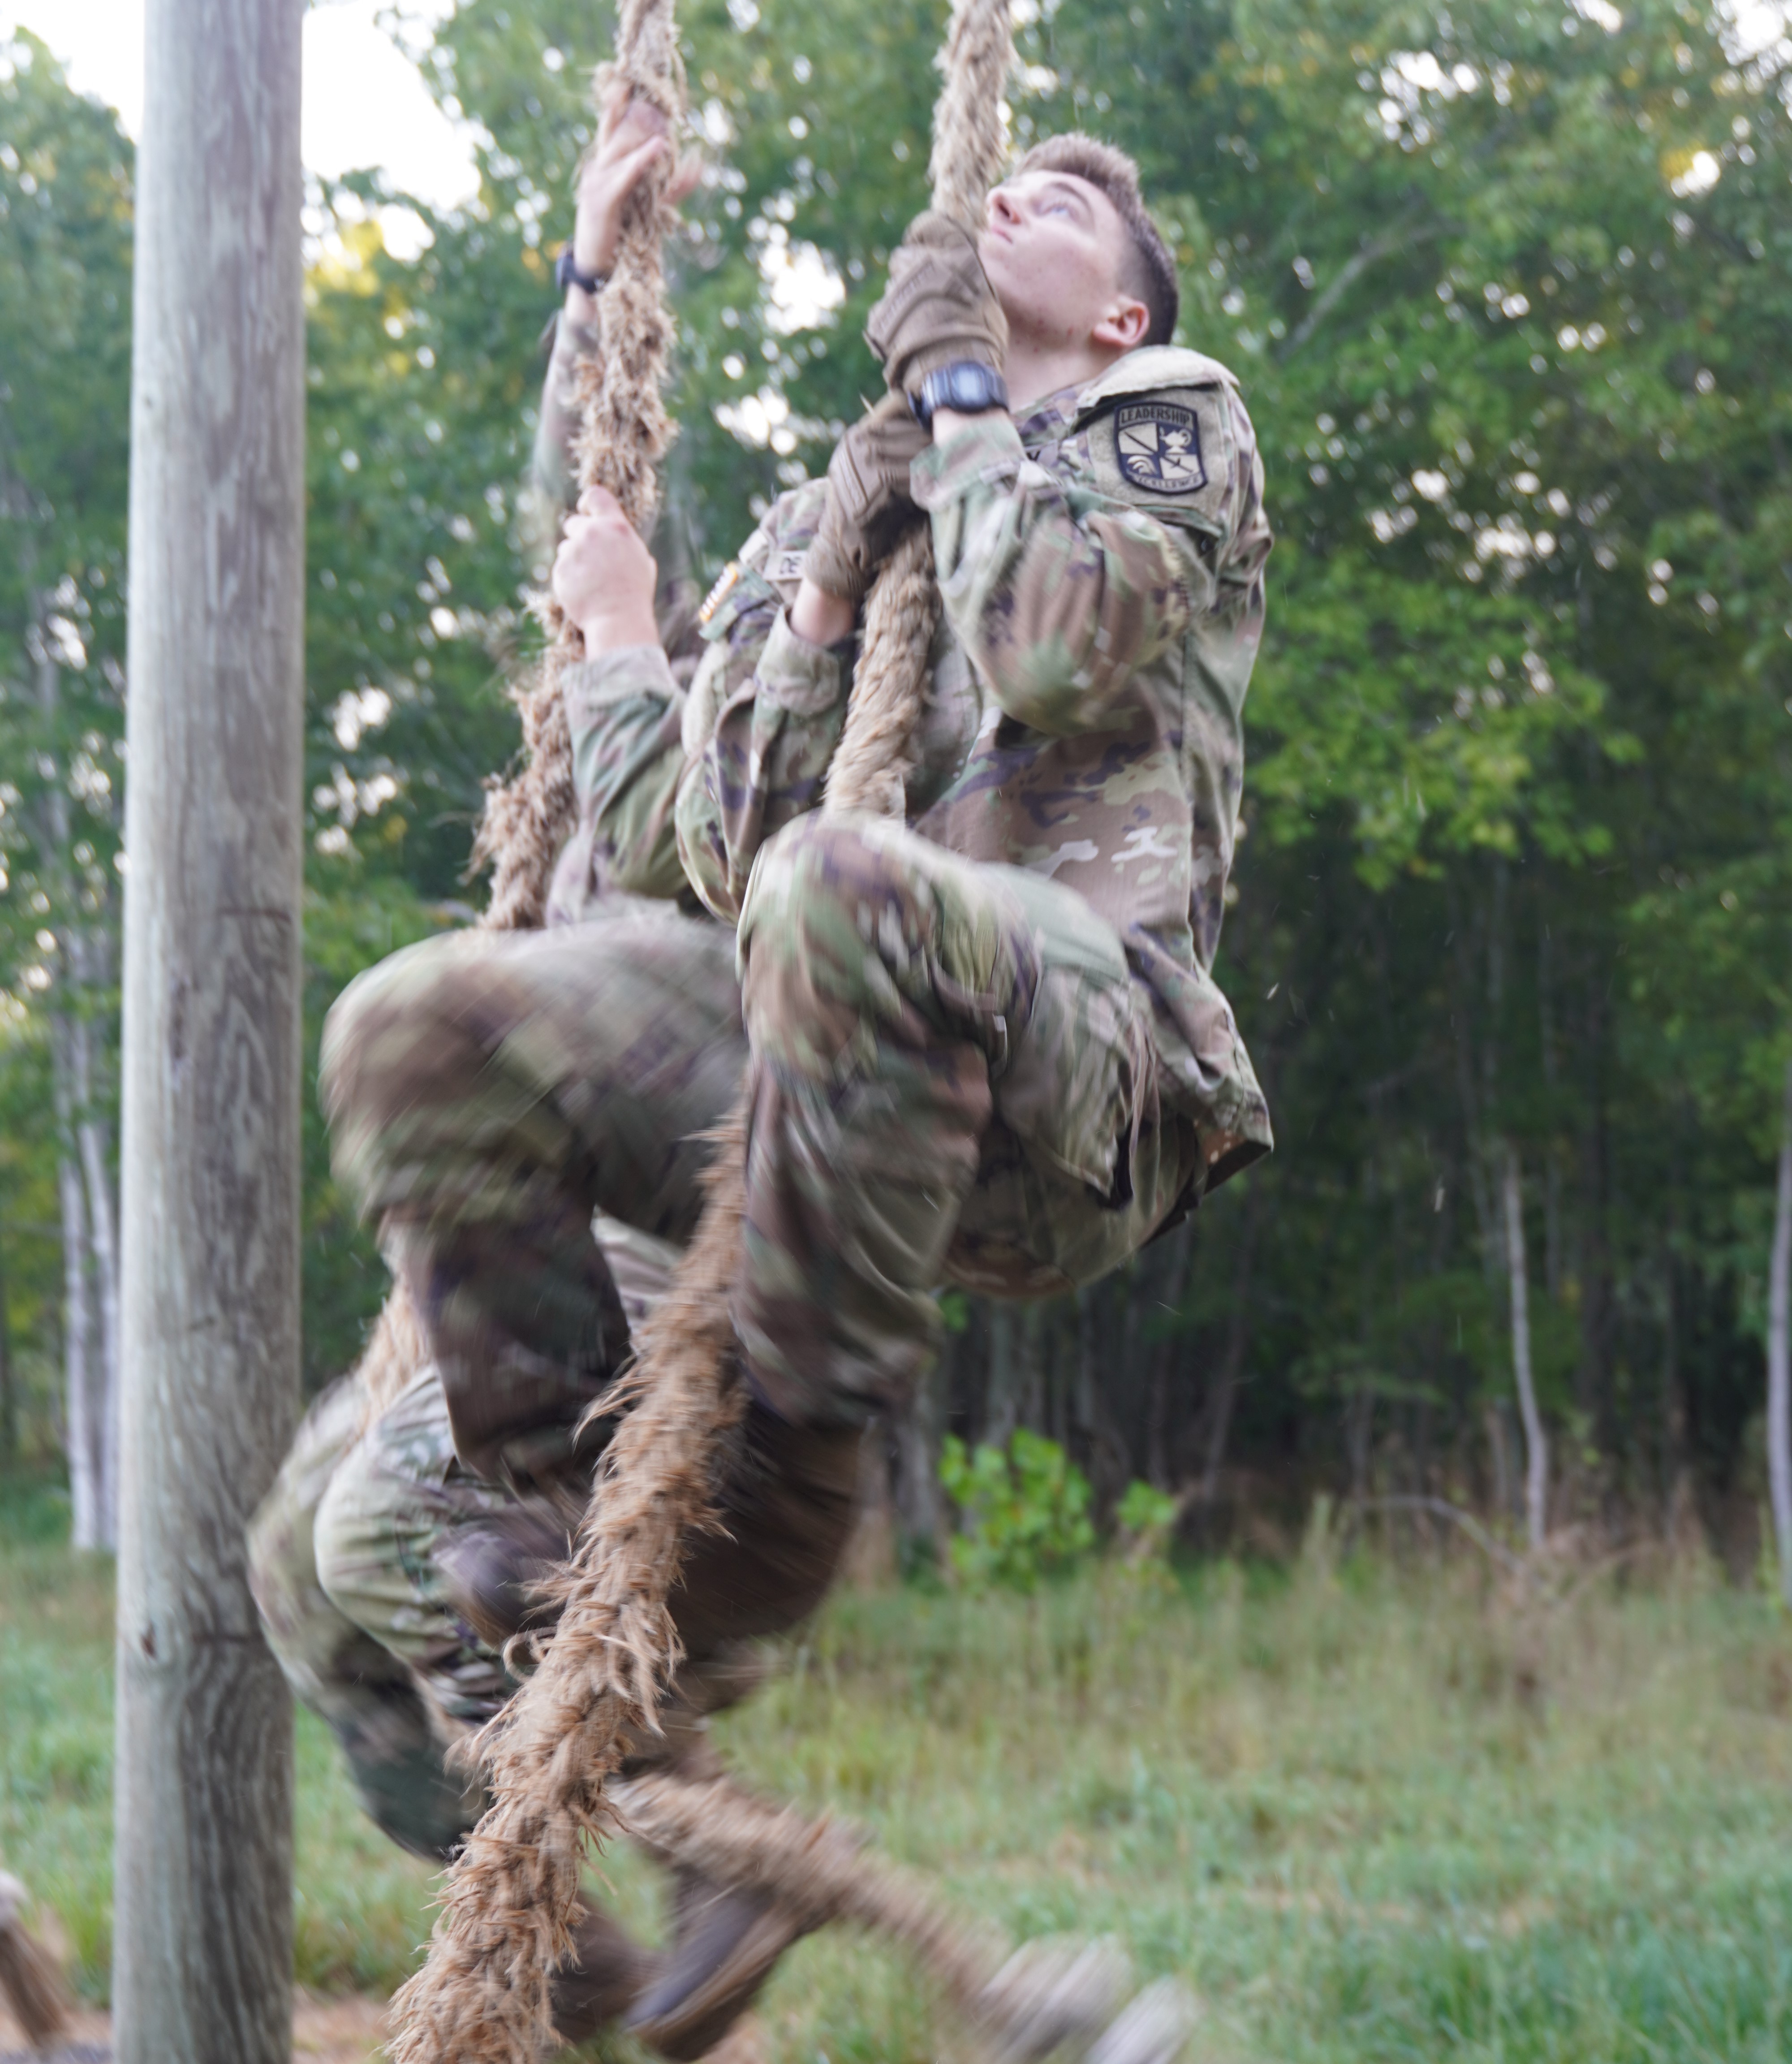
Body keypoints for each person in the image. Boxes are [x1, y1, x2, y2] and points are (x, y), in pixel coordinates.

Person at [249, 82, 1273, 2060]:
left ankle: (791, 1467)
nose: (1005, 197)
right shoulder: (840, 514)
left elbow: (1057, 652)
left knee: (840, 883)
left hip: (1057, 1069)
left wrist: (967, 397)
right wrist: (608, 335)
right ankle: (585, 1643)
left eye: (1054, 199)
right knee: (417, 1026)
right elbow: (667, 842)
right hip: (808, 1047)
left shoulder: (1165, 427)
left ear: (1124, 311)